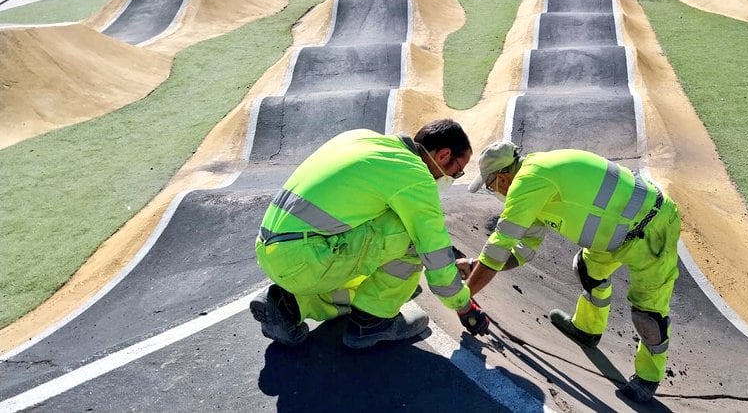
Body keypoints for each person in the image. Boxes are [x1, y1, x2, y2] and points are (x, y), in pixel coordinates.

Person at [465, 141, 680, 403]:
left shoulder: (530, 180)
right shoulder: (534, 184)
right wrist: (476, 265)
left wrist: (463, 299)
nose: (494, 192)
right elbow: (521, 251)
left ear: (502, 178)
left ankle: (648, 377)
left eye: (490, 187)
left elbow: (499, 246)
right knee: (588, 271)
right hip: (613, 236)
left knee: (648, 314)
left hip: (651, 227)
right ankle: (587, 329)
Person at [250, 119, 490, 350]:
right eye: (456, 172)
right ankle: (372, 321)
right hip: (307, 260)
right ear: (443, 155)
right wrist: (463, 305)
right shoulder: (415, 175)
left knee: (373, 271)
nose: (451, 179)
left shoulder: (363, 139)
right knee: (412, 239)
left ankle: (289, 306)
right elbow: (431, 248)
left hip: (273, 251)